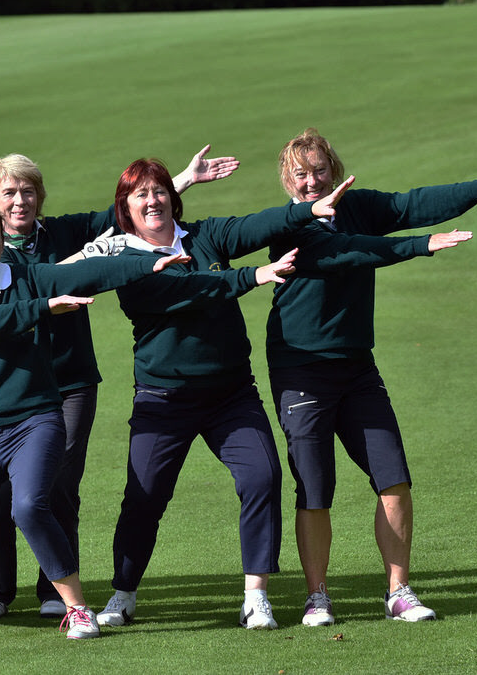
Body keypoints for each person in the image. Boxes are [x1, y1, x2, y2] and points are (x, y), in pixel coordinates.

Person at [266, 128, 477, 626]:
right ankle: (317, 597)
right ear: (288, 180)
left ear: (335, 168)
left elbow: (414, 203)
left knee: (394, 480)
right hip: (301, 370)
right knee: (315, 488)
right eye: (301, 174)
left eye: (320, 170)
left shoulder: (361, 205)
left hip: (357, 369)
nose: (312, 182)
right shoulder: (289, 226)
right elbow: (349, 252)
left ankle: (398, 592)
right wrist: (419, 247)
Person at [0, 204, 188, 639]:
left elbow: (88, 274)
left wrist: (149, 262)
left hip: (34, 418)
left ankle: (77, 608)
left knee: (30, 505)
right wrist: (43, 308)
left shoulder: (26, 276)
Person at [0, 148, 239, 619]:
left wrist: (184, 180)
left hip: (71, 381)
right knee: (4, 489)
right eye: (9, 193)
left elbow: (130, 209)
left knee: (61, 486)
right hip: (12, 385)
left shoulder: (68, 231)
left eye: (28, 191)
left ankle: (56, 589)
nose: (20, 201)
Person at [96, 158, 351, 631]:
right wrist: (251, 277)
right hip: (163, 400)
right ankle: (123, 593)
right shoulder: (126, 263)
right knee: (145, 496)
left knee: (262, 477)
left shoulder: (206, 237)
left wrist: (306, 210)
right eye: (141, 196)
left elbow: (258, 225)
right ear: (125, 209)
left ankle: (256, 596)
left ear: (173, 198)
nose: (152, 201)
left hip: (231, 395)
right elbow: (191, 290)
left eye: (159, 192)